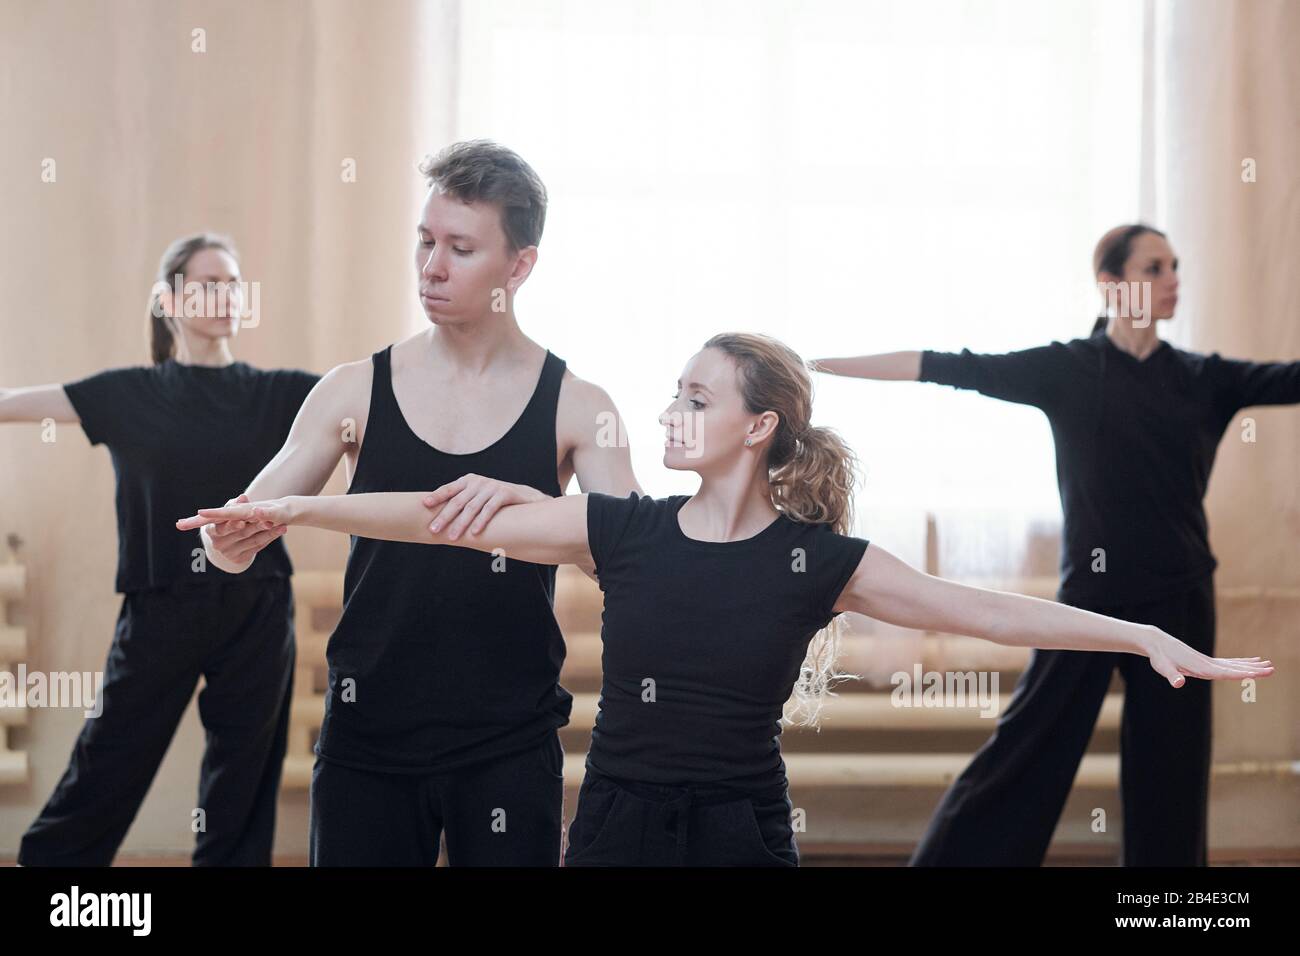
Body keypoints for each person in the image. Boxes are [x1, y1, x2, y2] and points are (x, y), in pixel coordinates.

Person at [179, 331, 1274, 867]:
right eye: (673, 391)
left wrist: (1138, 631)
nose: (669, 409)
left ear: (756, 427)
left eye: (695, 397)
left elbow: (980, 608)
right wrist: (296, 512)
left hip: (743, 832)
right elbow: (440, 515)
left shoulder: (816, 558)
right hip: (611, 828)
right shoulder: (626, 529)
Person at [193, 140, 642, 866]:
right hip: (367, 733)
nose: (431, 267)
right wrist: (227, 544)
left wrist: (533, 502)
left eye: (460, 248)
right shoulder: (351, 389)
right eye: (425, 241)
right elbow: (245, 519)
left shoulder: (579, 407)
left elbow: (634, 562)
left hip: (508, 739)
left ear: (519, 266)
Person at [808, 223, 1300, 866]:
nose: (1174, 279)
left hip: (1182, 598)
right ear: (1111, 284)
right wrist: (812, 365)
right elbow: (944, 366)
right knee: (1029, 750)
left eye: (1176, 265)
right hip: (1087, 604)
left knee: (1172, 771)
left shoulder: (1204, 378)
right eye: (1155, 268)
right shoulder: (1067, 369)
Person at [3, 232, 319, 866]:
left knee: (243, 779)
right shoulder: (128, 395)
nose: (226, 296)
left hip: (258, 608)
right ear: (168, 300)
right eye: (209, 283)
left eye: (233, 283)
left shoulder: (282, 393)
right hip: (159, 609)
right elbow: (15, 404)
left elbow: (365, 405)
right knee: (108, 762)